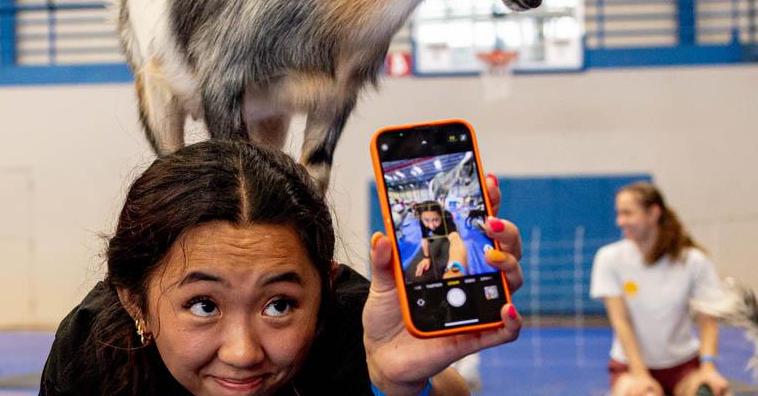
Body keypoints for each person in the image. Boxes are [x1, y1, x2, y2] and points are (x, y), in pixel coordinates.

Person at [40, 140, 524, 395]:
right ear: (135, 303)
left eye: (280, 304)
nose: (243, 353)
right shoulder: (92, 352)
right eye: (204, 305)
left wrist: (399, 386)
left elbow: (447, 390)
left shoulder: (353, 325)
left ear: (325, 287)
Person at [590, 182, 730, 396]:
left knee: (711, 392)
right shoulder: (609, 259)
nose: (620, 221)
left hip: (683, 366)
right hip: (630, 365)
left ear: (653, 213)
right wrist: (640, 375)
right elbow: (621, 321)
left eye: (627, 213)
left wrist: (708, 368)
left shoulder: (694, 261)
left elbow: (708, 321)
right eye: (618, 214)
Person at [411, 201, 468, 280]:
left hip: (447, 230)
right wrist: (426, 257)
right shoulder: (423, 220)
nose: (431, 226)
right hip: (438, 231)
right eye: (426, 220)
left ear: (441, 216)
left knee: (450, 239)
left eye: (435, 220)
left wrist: (454, 271)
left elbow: (456, 241)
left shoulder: (447, 219)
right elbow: (424, 239)